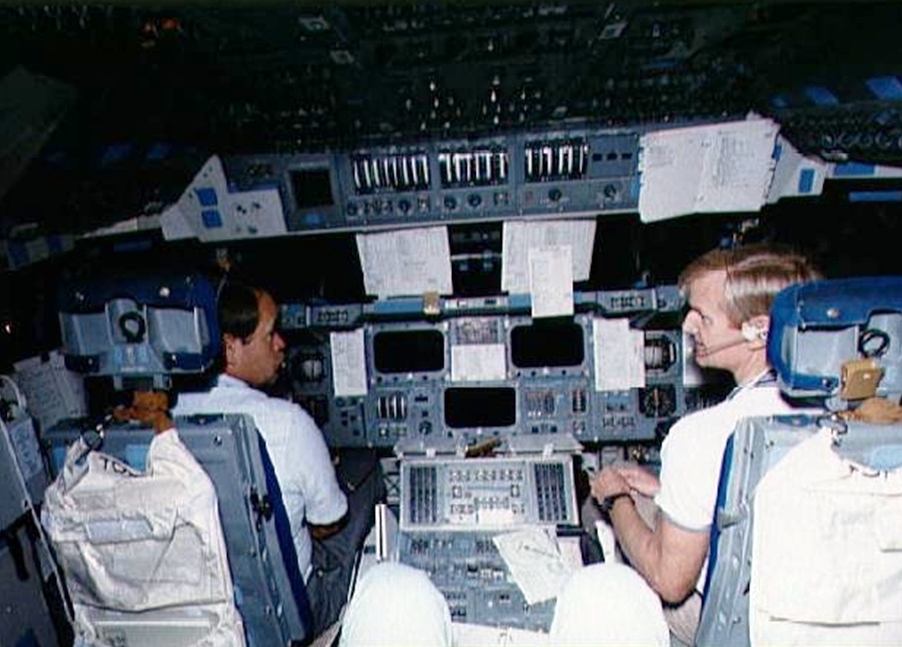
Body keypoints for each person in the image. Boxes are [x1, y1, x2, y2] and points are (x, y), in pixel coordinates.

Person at [588, 243, 822, 644]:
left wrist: (615, 500)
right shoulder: (840, 416)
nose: (688, 326)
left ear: (759, 330)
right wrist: (665, 490)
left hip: (742, 628)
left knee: (594, 516)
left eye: (703, 316)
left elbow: (669, 581)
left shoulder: (702, 435)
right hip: (815, 614)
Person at [172, 281, 353, 635]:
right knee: (364, 477)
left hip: (208, 621)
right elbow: (328, 522)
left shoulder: (163, 422)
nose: (281, 343)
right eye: (270, 335)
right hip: (293, 619)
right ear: (230, 349)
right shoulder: (287, 422)